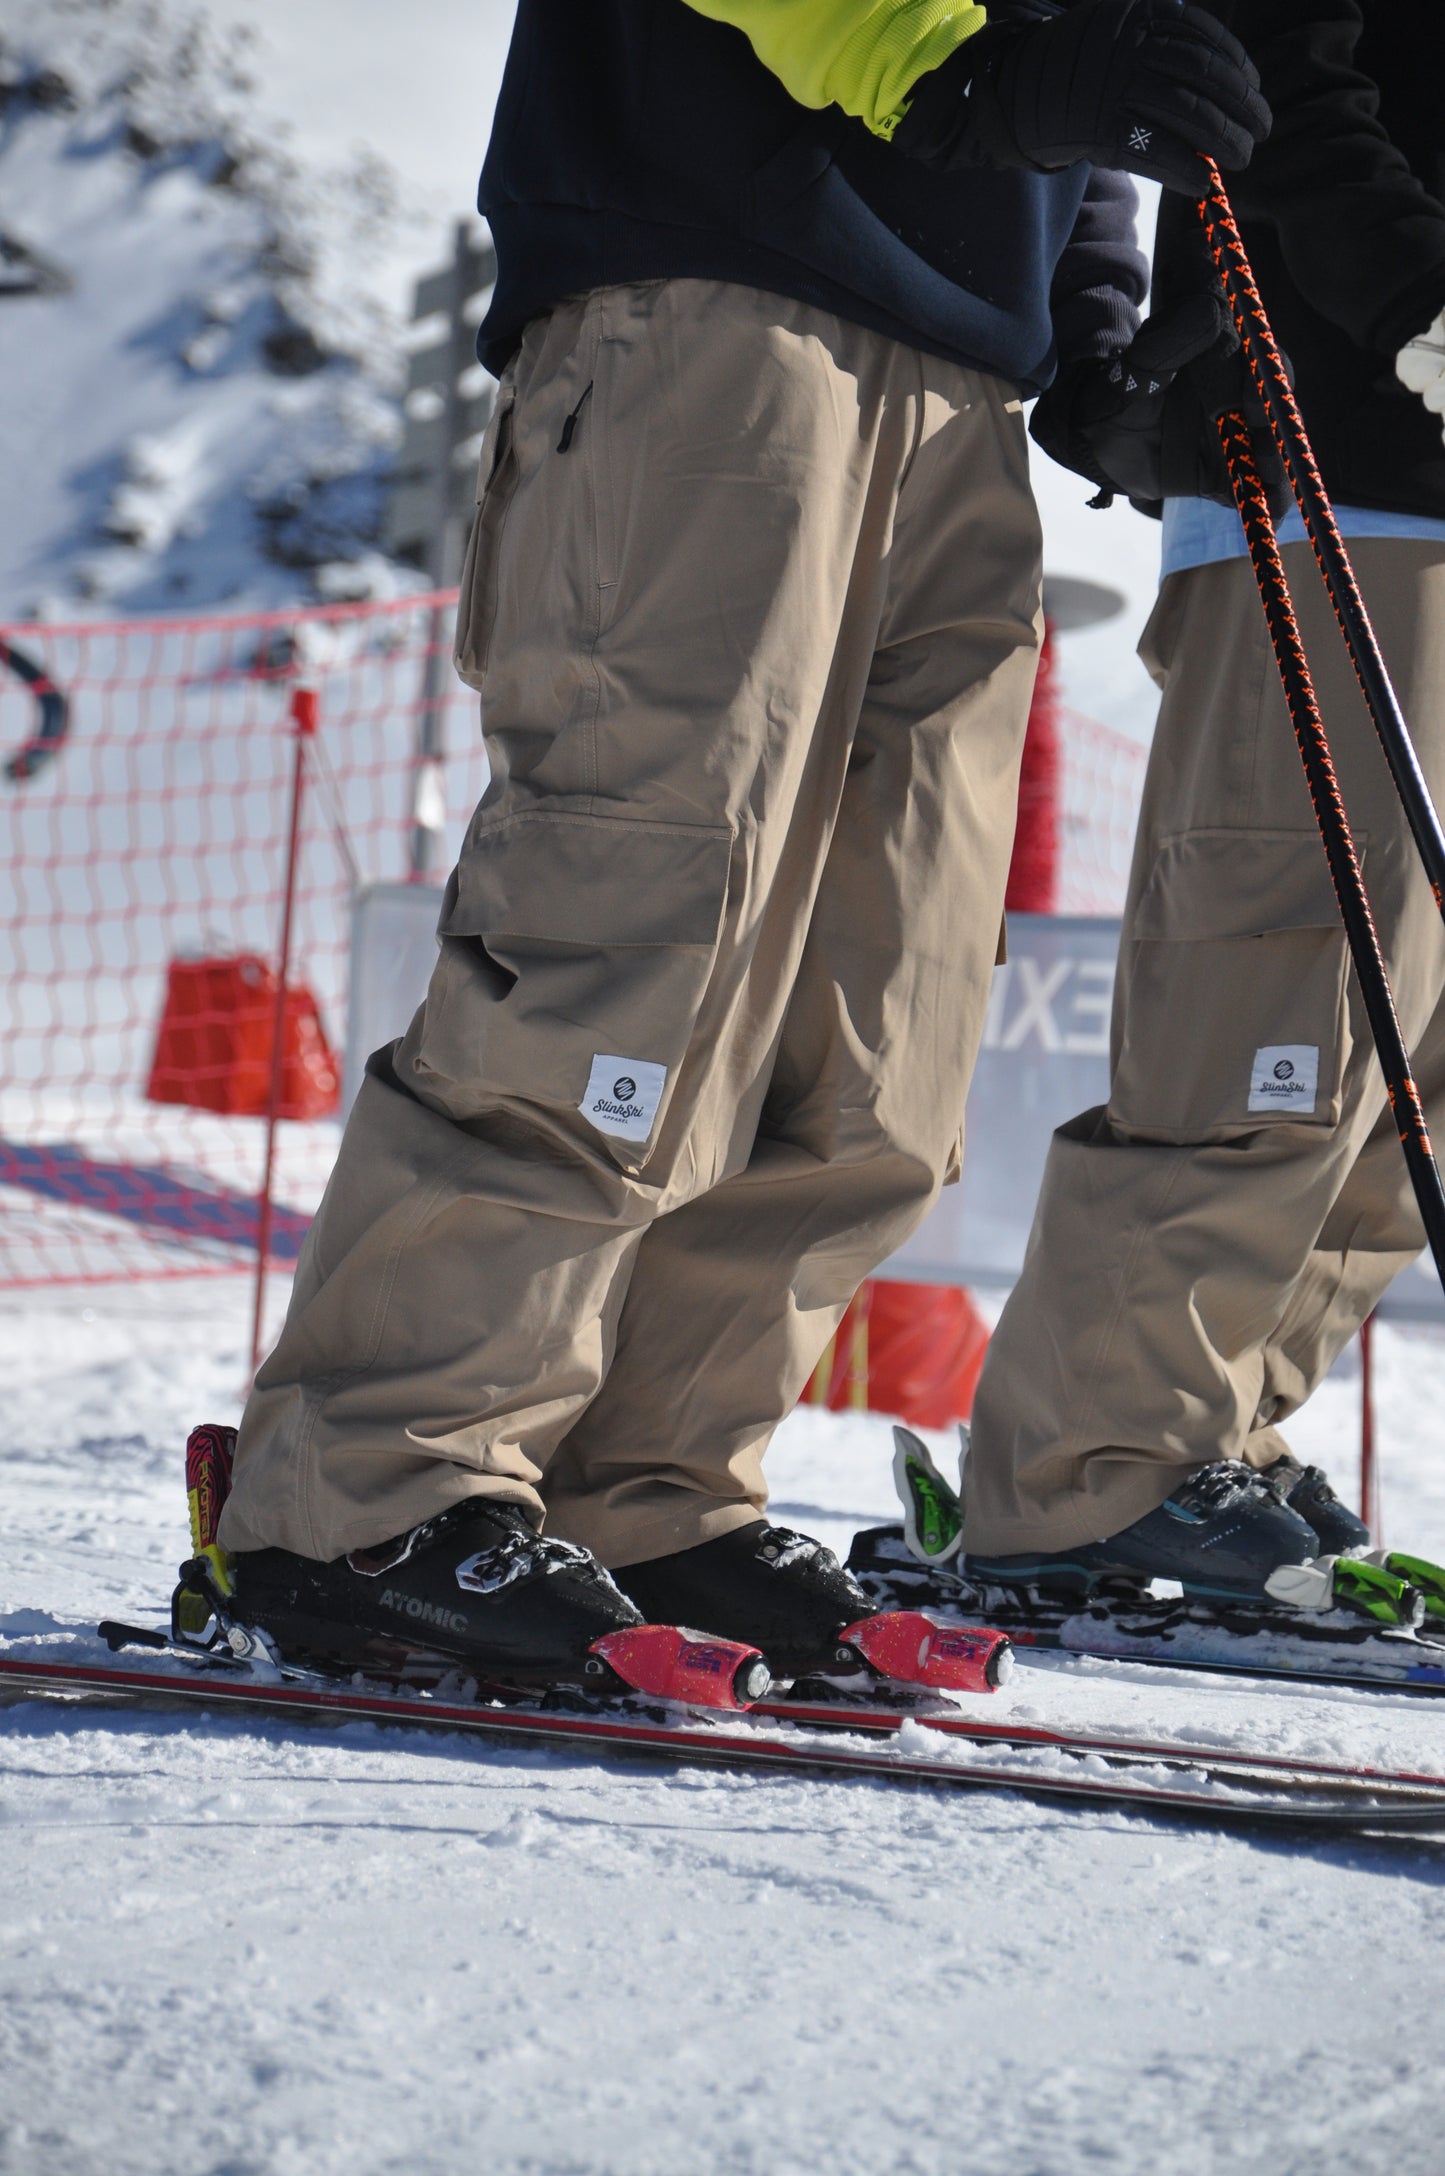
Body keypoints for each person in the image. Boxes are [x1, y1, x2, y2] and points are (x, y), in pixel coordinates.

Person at [215, 0, 1268, 1683]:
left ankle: (649, 1489)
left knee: (883, 1013)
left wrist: (1089, 293)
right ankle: (372, 1490)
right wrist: (964, 66)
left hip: (963, 380)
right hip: (716, 285)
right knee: (628, 937)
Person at [964, 0, 1445, 1603]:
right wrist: (1416, 301)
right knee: (1290, 995)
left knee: (1416, 1058)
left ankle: (1214, 1432)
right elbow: (1274, 69)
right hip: (1343, 458)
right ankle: (1099, 1466)